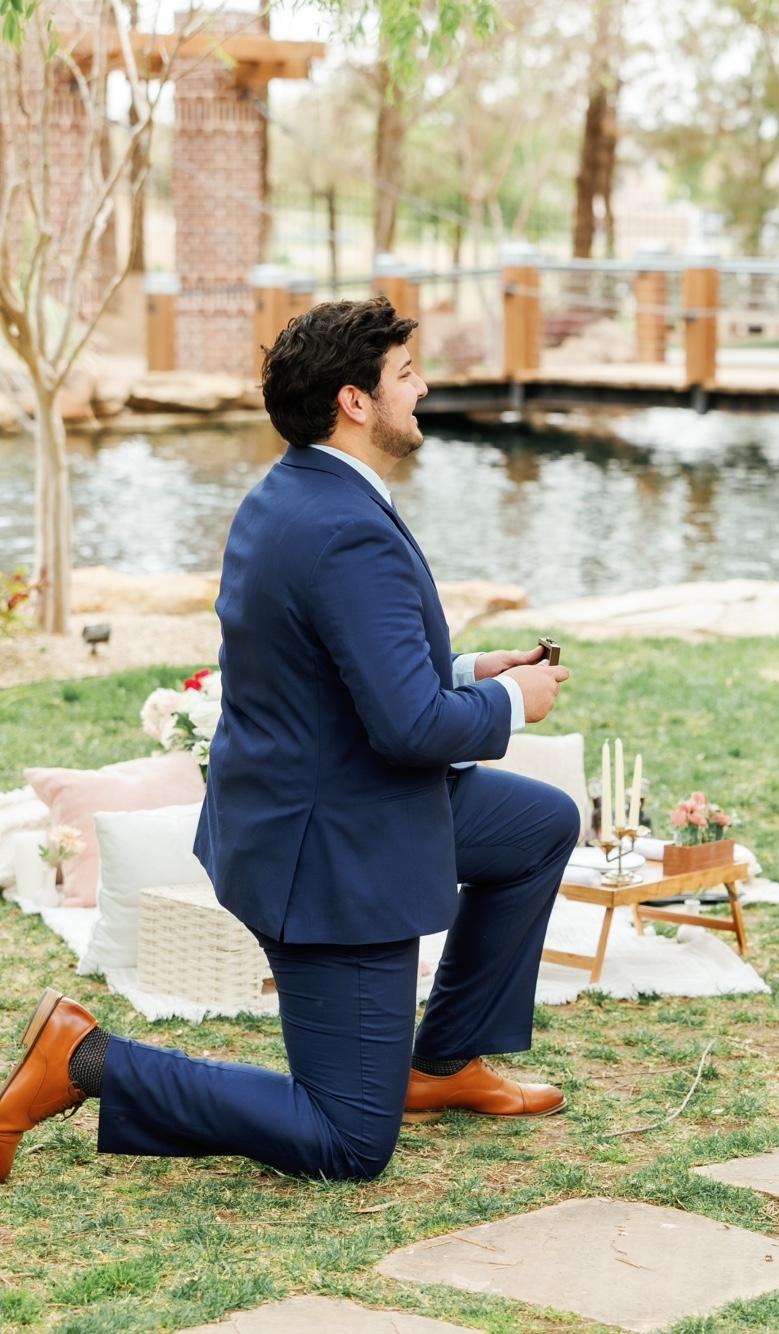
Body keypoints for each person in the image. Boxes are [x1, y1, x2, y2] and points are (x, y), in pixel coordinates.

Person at [0, 298, 582, 1184]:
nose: (424, 387)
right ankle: (82, 1059)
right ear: (355, 401)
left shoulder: (293, 491)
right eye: (405, 374)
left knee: (538, 825)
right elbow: (409, 727)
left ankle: (441, 1063)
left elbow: (324, 669)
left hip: (315, 802)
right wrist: (510, 701)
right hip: (329, 853)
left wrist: (465, 670)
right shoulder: (346, 528)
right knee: (348, 1140)